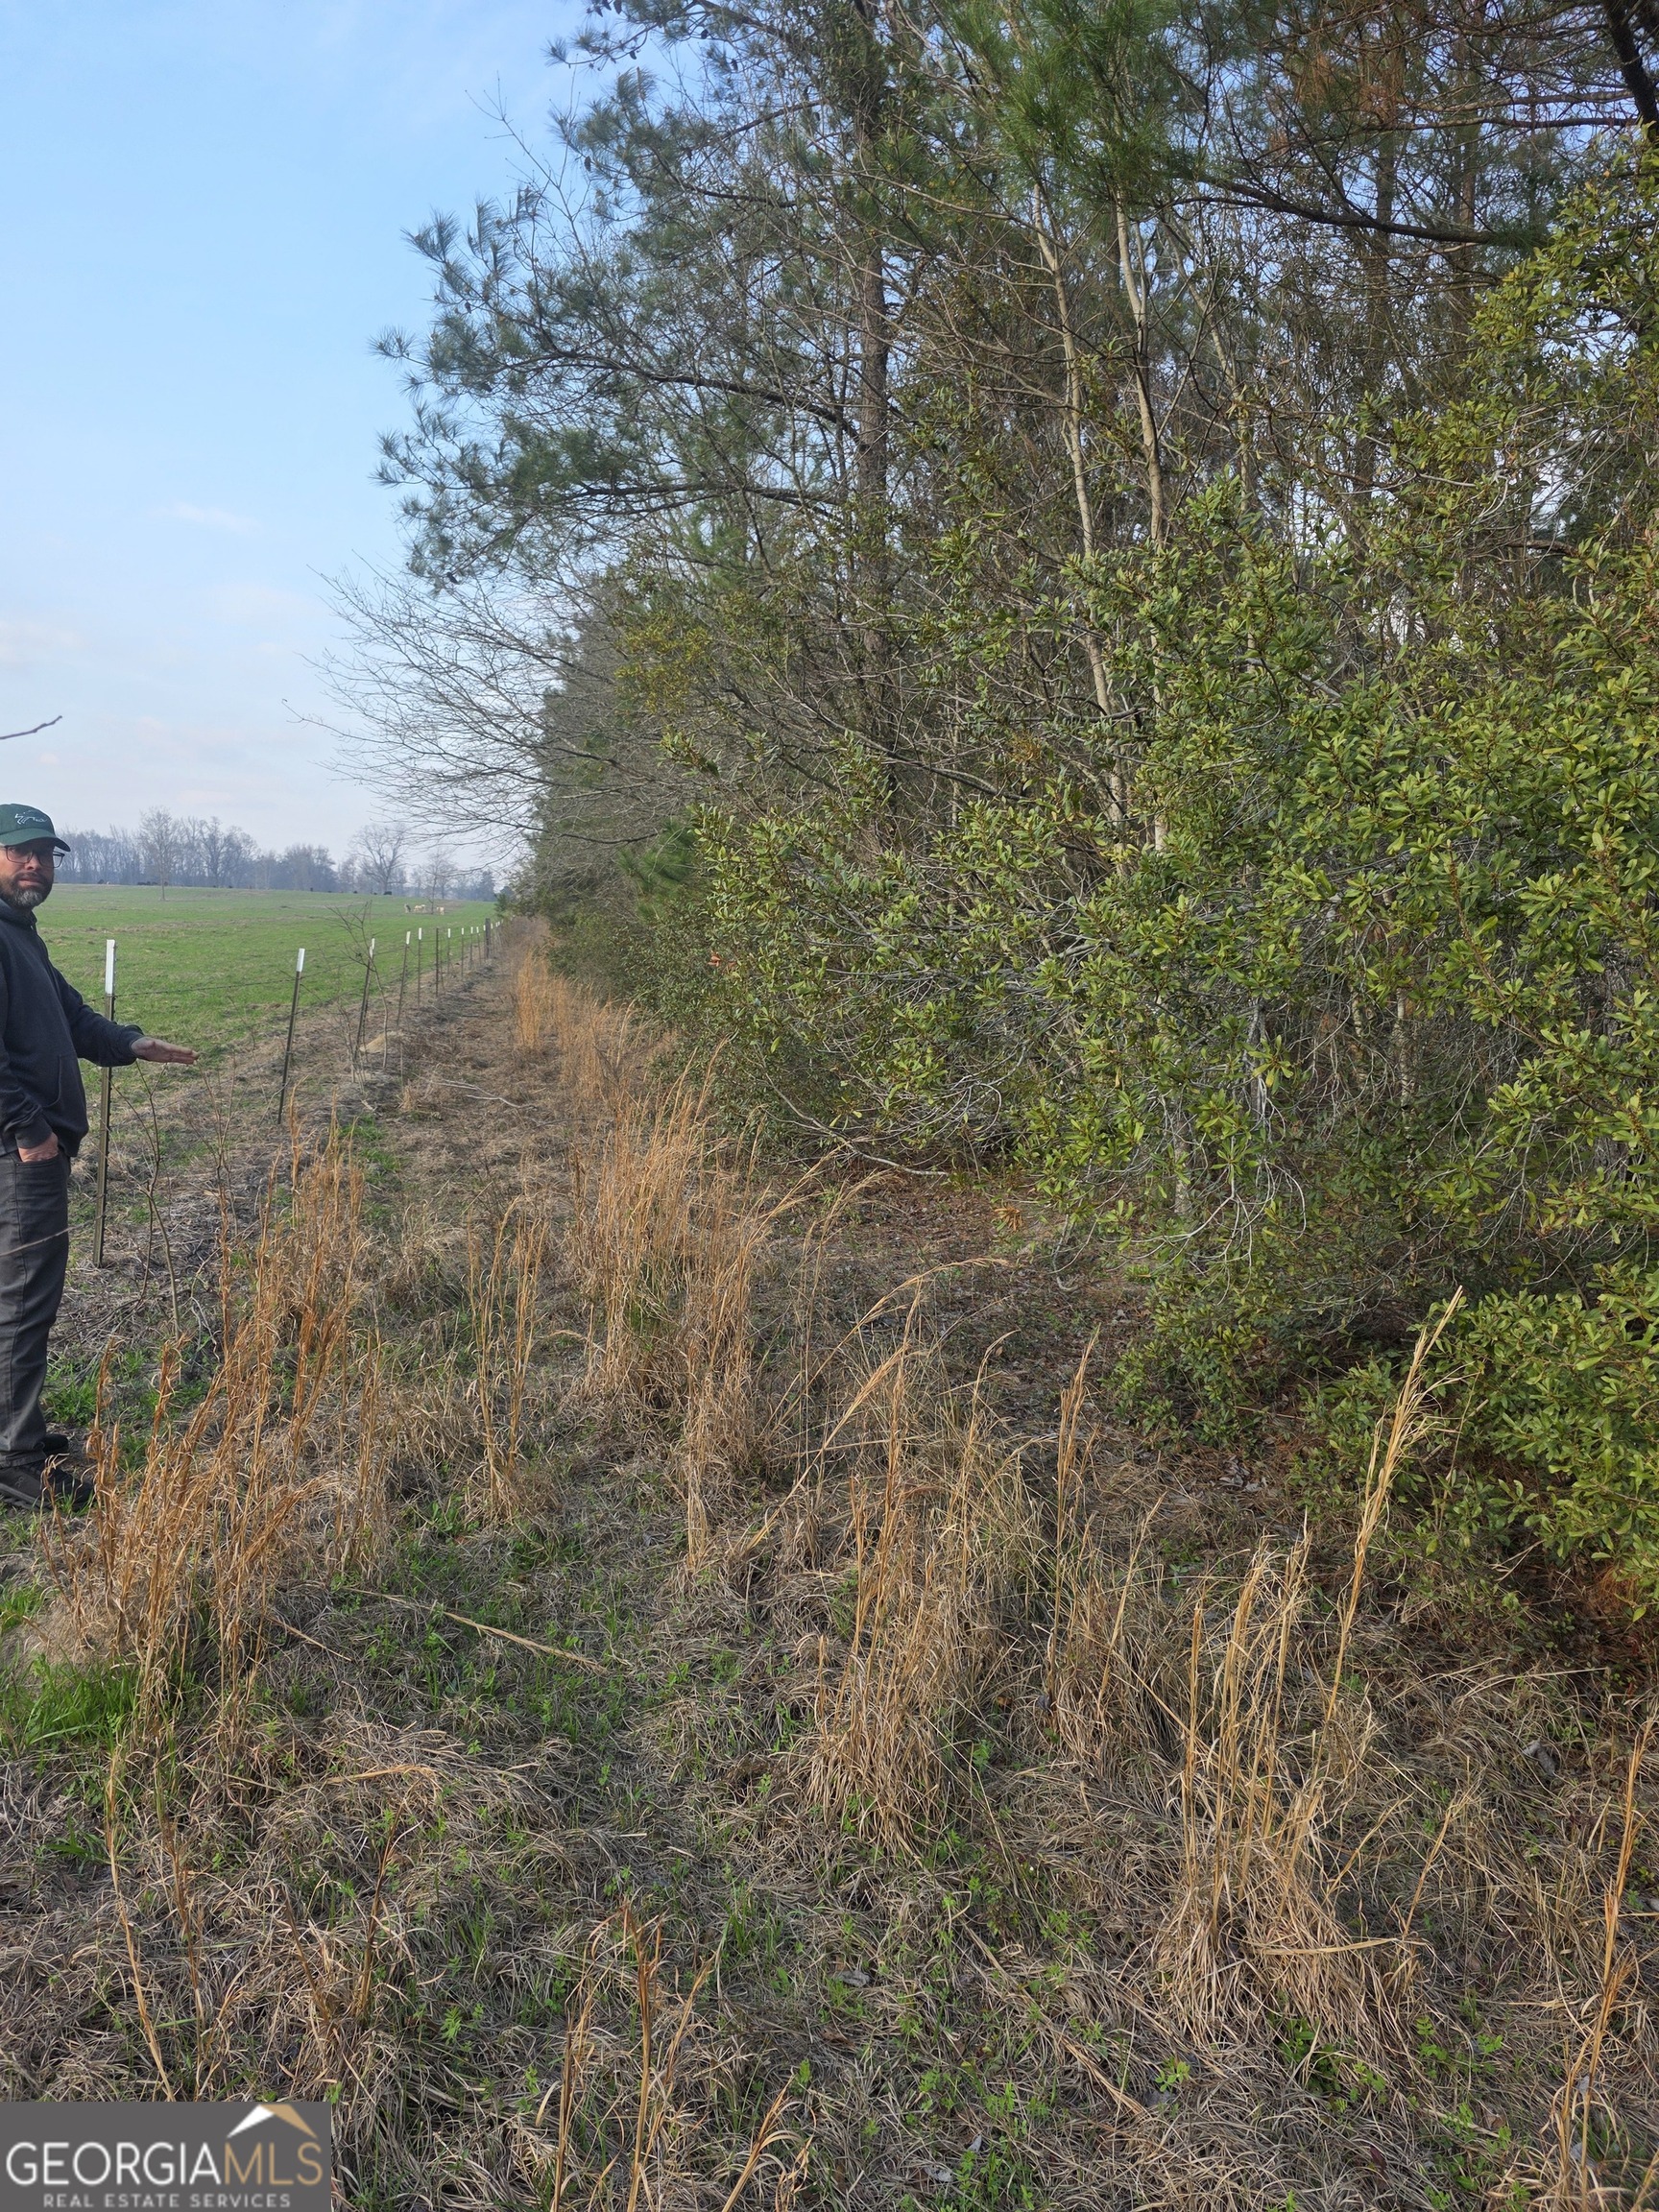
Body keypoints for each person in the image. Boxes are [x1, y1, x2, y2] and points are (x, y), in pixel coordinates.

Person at [0, 805, 195, 1510]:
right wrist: (27, 1129)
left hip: (30, 1153)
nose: (35, 866)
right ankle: (13, 1459)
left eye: (45, 855)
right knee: (21, 1304)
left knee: (25, 1299)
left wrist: (131, 1043)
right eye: (19, 852)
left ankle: (16, 1428)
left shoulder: (21, 936)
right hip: (18, 1159)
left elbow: (72, 1016)